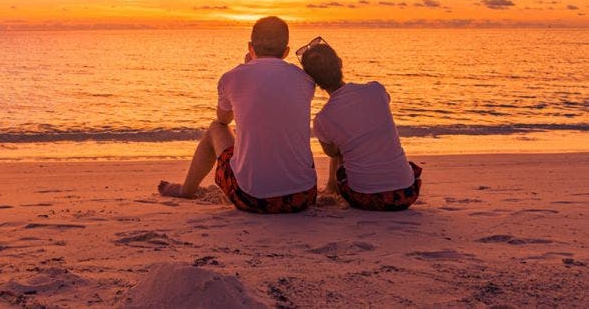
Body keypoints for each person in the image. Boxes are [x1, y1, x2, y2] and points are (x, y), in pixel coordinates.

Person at [158, 16, 318, 214]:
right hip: (303, 197)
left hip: (251, 198)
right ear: (286, 51)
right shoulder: (305, 79)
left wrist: (246, 71)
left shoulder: (232, 77)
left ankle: (186, 190)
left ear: (250, 47)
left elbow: (223, 119)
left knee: (215, 128)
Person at [298, 37, 422, 211]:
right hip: (406, 193)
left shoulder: (323, 119)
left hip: (364, 197)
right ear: (340, 63)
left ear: (314, 82)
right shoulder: (376, 90)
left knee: (340, 143)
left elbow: (333, 152)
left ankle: (332, 187)